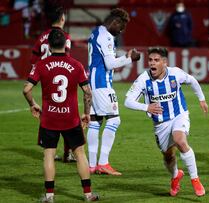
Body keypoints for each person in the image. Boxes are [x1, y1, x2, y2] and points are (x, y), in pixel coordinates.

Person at [23, 29, 99, 202]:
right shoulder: (76, 65)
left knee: (49, 154)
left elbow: (26, 89)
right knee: (79, 153)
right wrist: (87, 113)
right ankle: (88, 194)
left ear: (49, 45)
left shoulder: (41, 65)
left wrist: (33, 104)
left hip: (49, 119)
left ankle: (49, 196)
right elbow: (88, 92)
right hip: (71, 119)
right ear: (66, 44)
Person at [124, 47, 207, 197]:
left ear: (164, 62)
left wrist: (201, 99)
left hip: (179, 115)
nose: (152, 63)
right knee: (168, 155)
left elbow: (192, 80)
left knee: (180, 140)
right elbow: (128, 101)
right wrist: (146, 107)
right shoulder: (144, 79)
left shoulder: (175, 73)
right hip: (160, 124)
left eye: (156, 60)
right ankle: (175, 175)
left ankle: (195, 179)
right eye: (150, 60)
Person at [87, 8, 141, 175]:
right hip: (102, 83)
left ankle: (91, 165)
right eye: (121, 27)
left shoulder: (96, 32)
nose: (121, 31)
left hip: (93, 82)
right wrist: (129, 58)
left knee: (95, 122)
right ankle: (103, 163)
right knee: (114, 121)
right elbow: (110, 64)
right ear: (115, 22)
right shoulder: (107, 37)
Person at [30, 6, 75, 163]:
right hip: (62, 75)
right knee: (67, 113)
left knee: (48, 112)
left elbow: (34, 59)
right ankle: (68, 153)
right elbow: (66, 57)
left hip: (45, 77)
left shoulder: (42, 36)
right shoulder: (65, 36)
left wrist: (36, 73)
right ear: (62, 18)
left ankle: (49, 150)